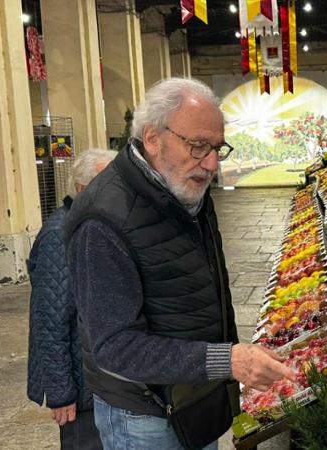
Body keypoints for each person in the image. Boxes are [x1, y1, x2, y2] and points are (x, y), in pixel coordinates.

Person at [64, 77, 294, 450]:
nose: (212, 163)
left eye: (218, 148)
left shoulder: (184, 191)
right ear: (153, 138)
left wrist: (229, 359)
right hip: (143, 415)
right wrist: (228, 359)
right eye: (199, 146)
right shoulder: (102, 222)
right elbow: (116, 347)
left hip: (192, 397)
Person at [27, 148, 118, 450]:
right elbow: (49, 322)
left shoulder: (93, 225)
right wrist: (61, 393)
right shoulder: (60, 234)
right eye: (108, 183)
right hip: (80, 391)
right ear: (81, 189)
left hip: (102, 378)